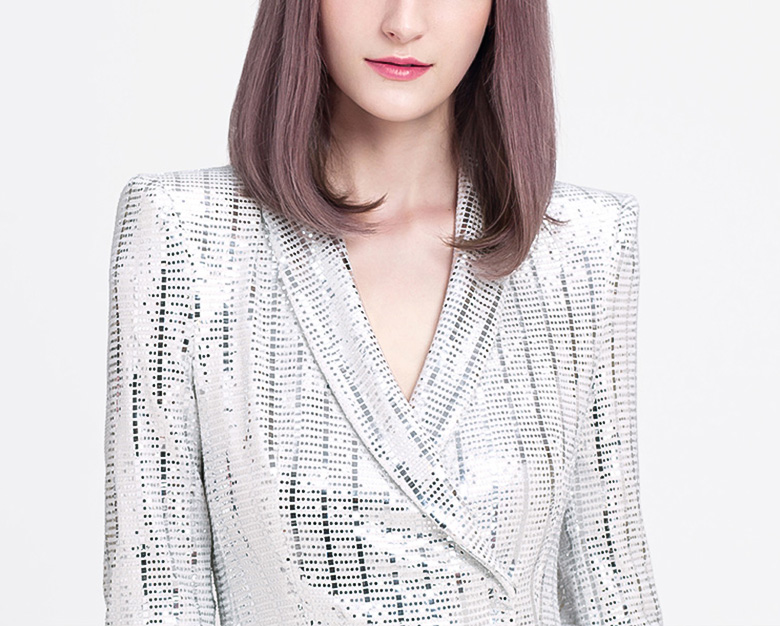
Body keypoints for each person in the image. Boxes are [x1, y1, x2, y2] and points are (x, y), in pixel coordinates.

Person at [102, 0, 664, 624]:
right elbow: (156, 587)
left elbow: (613, 583)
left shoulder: (583, 247)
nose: (403, 22)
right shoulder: (187, 232)